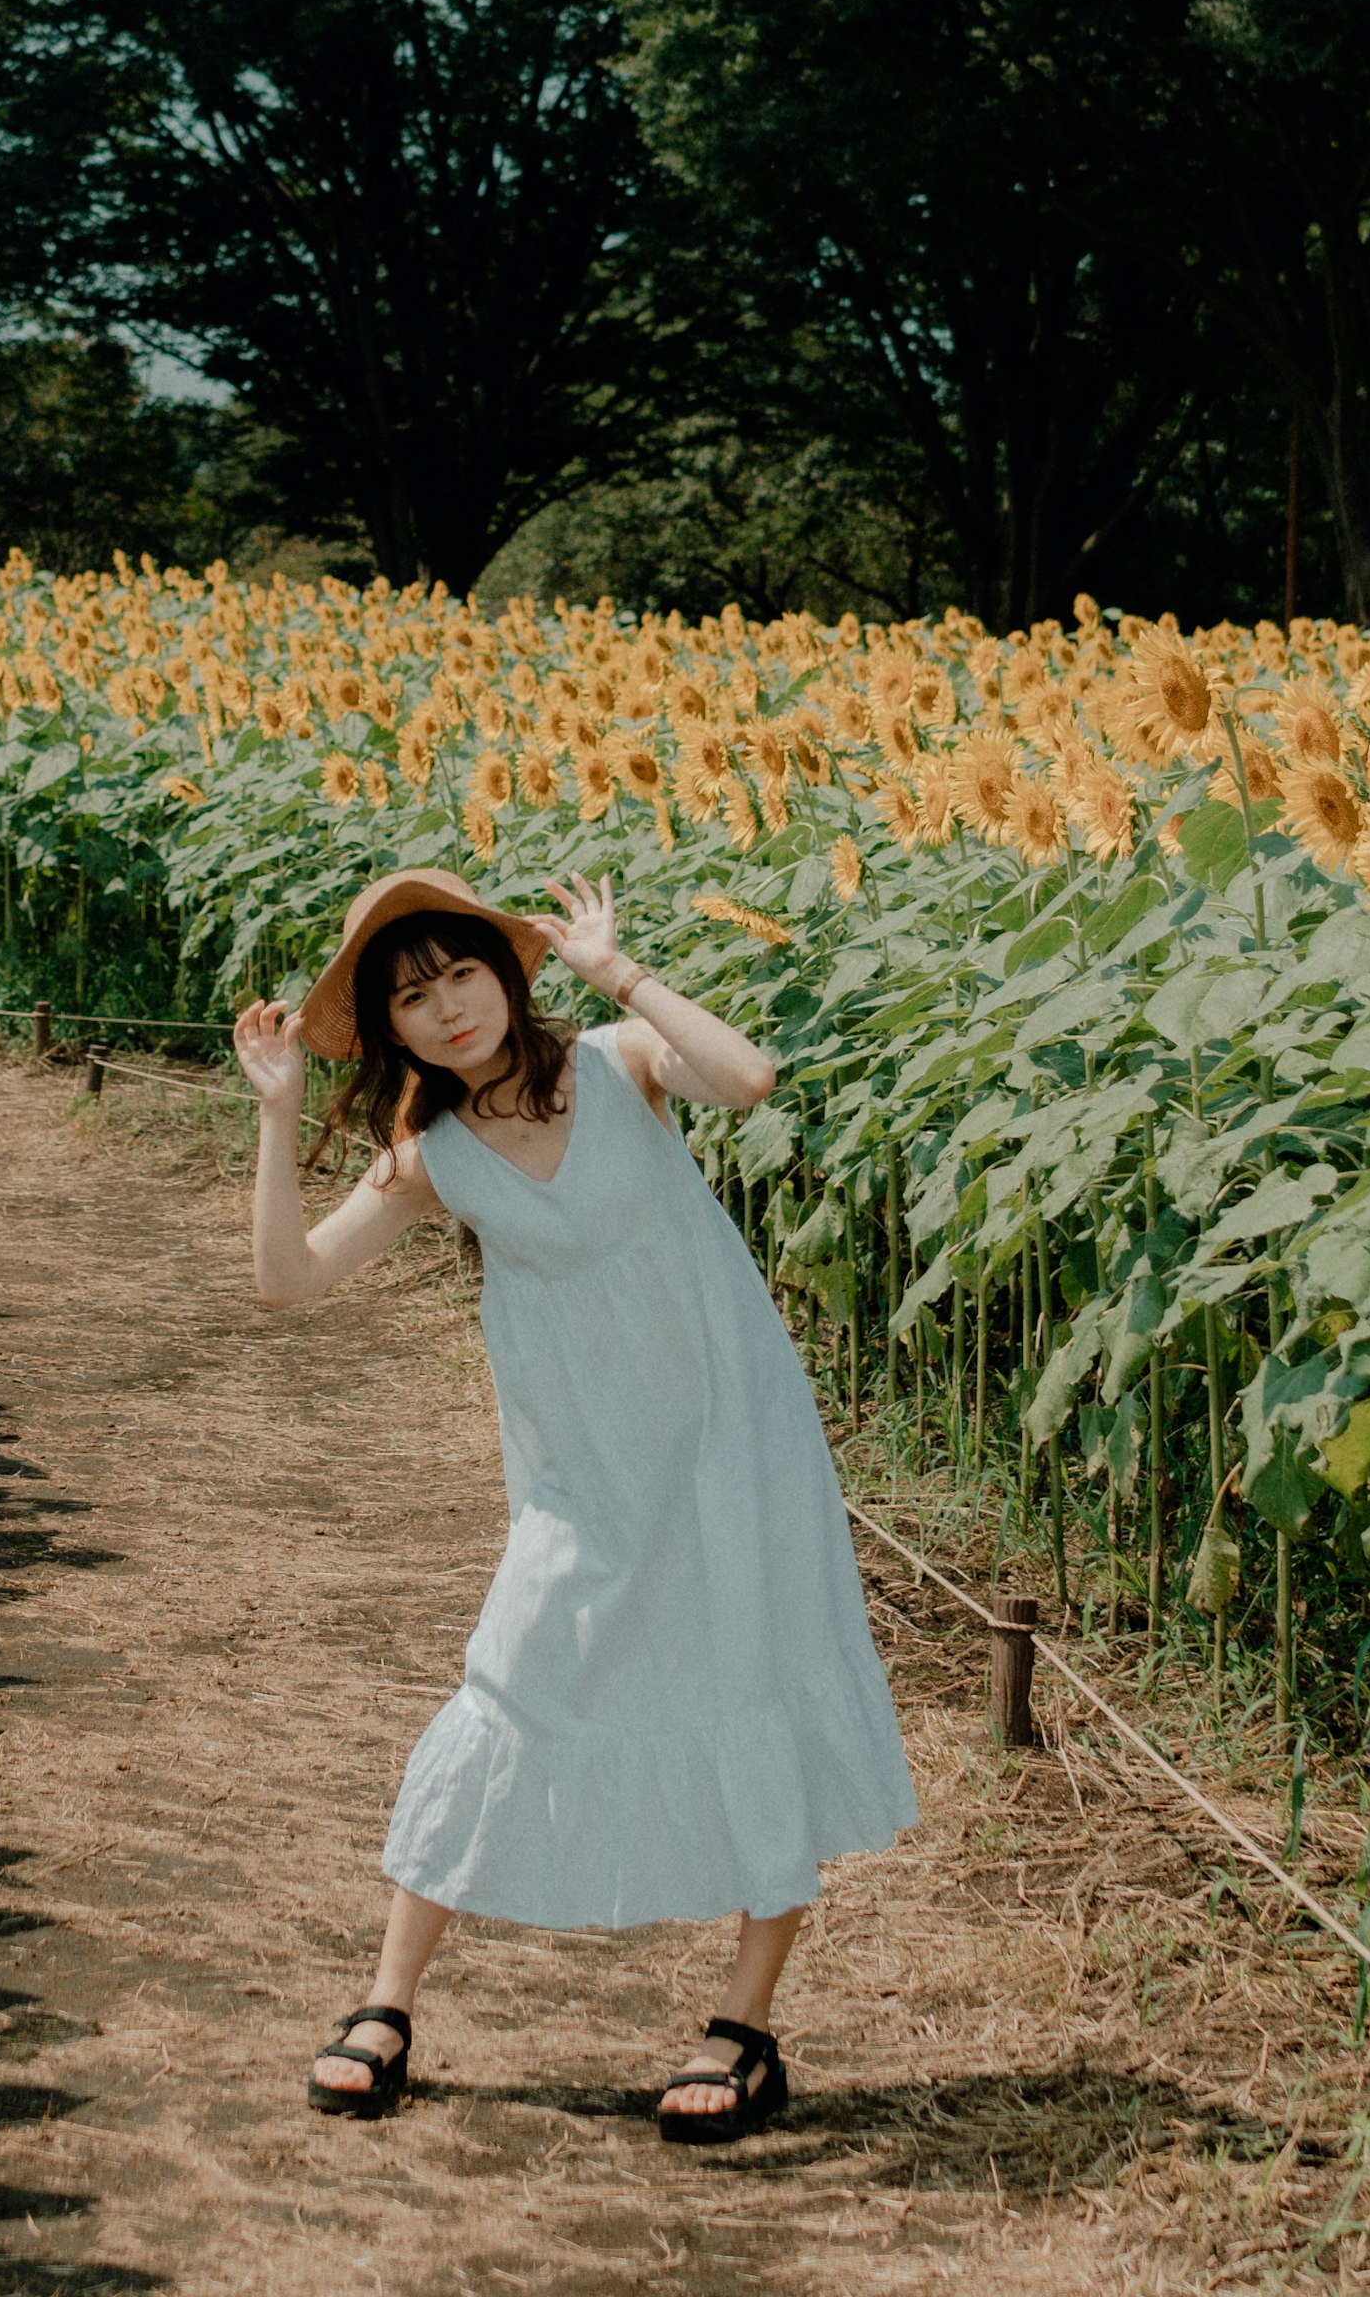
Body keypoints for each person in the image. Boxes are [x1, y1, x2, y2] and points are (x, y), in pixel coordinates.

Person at [233, 865, 916, 2145]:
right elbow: (287, 1279)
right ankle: (386, 2003)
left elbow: (750, 1078)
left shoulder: (619, 1059)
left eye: (461, 977)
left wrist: (621, 969)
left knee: (752, 1684)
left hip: (732, 1446)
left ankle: (744, 2029)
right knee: (512, 1680)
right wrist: (278, 1116)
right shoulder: (432, 1155)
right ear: (388, 1034)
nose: (447, 1013)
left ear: (506, 977)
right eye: (411, 999)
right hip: (584, 1478)